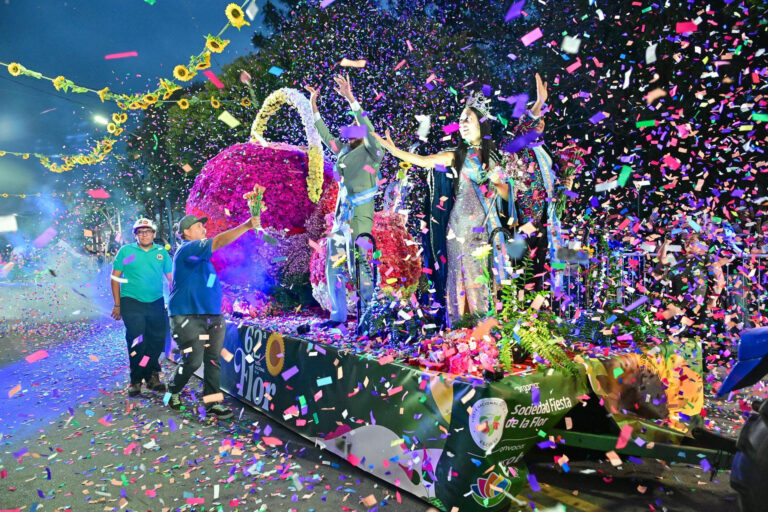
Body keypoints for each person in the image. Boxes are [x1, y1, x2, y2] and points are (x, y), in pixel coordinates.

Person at [375, 75, 548, 326]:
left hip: (487, 230)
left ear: (481, 122)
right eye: (460, 120)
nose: (462, 123)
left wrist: (537, 106)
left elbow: (510, 180)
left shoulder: (497, 157)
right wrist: (391, 149)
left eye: (468, 118)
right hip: (460, 229)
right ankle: (459, 329)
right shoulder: (457, 155)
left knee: (483, 278)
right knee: (460, 279)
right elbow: (423, 161)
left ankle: (483, 333)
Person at [304, 75, 383, 330]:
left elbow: (368, 130)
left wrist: (351, 99)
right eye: (348, 131)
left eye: (354, 129)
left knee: (358, 261)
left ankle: (371, 315)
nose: (350, 133)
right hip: (341, 217)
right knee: (334, 263)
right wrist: (313, 105)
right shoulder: (344, 152)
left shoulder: (373, 151)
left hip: (360, 214)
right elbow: (325, 134)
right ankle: (337, 316)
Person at [166, 214, 260, 419]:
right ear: (186, 233)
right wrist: (246, 225)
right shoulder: (187, 248)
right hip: (187, 316)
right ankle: (172, 390)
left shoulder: (202, 258)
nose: (204, 229)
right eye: (199, 226)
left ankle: (212, 403)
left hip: (213, 317)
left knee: (213, 361)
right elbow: (217, 242)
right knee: (192, 360)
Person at [110, 218, 172, 397]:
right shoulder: (127, 251)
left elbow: (170, 278)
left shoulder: (161, 252)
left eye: (148, 231)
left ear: (154, 233)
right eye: (140, 231)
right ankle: (136, 380)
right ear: (135, 234)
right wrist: (117, 304)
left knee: (156, 340)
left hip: (156, 301)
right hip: (131, 301)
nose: (144, 234)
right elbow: (115, 278)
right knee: (137, 340)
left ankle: (152, 376)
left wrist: (174, 298)